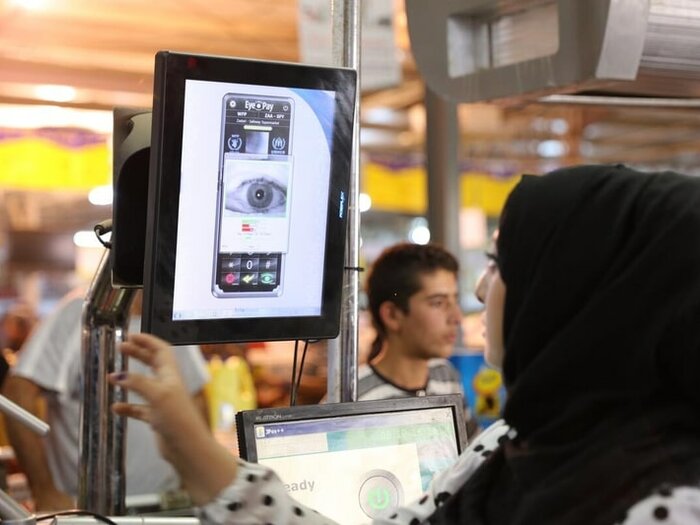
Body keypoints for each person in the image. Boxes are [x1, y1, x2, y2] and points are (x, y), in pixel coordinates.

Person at [111, 164, 700, 524]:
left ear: (573, 295)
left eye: (500, 263)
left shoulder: (669, 504)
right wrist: (190, 447)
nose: (477, 288)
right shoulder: (507, 449)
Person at [2, 289, 210, 511]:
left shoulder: (168, 317)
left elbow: (196, 398)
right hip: (85, 512)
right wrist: (44, 491)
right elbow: (17, 393)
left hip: (165, 506)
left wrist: (195, 478)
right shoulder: (81, 313)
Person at [354, 243, 476, 436]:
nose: (456, 317)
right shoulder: (354, 397)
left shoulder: (446, 377)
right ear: (393, 315)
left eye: (455, 301)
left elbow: (470, 457)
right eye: (438, 303)